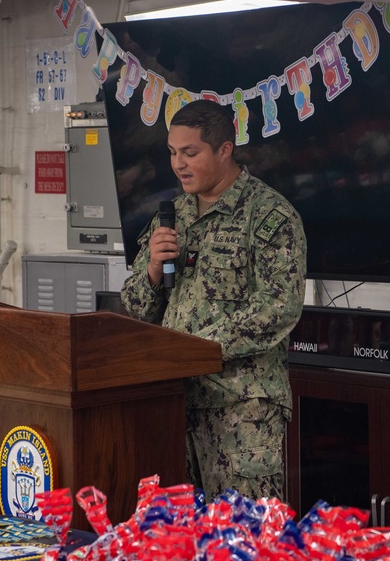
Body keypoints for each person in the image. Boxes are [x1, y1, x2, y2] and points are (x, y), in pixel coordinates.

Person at [121, 99, 307, 501]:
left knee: (244, 540)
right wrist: (152, 269)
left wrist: (197, 350)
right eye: (172, 153)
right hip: (173, 402)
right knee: (182, 538)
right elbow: (135, 307)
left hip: (241, 410)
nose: (178, 164)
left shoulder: (269, 215)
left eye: (190, 153)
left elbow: (279, 306)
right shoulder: (171, 216)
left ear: (225, 150)